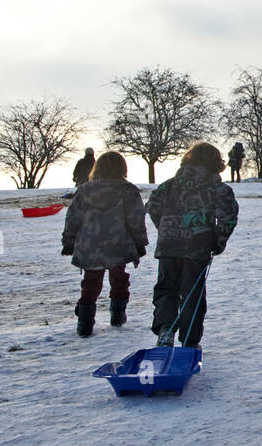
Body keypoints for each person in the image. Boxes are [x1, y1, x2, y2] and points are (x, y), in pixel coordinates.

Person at [145, 141, 238, 348]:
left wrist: (165, 227)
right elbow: (228, 217)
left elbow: (152, 206)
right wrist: (217, 241)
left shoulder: (169, 184)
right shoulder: (217, 188)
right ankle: (190, 339)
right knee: (192, 293)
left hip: (168, 244)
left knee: (166, 289)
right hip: (197, 246)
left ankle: (165, 328)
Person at [61, 151, 148, 337]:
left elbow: (73, 218)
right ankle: (117, 315)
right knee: (119, 278)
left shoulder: (84, 190)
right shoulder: (128, 191)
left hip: (90, 244)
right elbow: (136, 219)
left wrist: (68, 242)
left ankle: (84, 322)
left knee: (90, 281)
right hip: (119, 243)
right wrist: (140, 243)